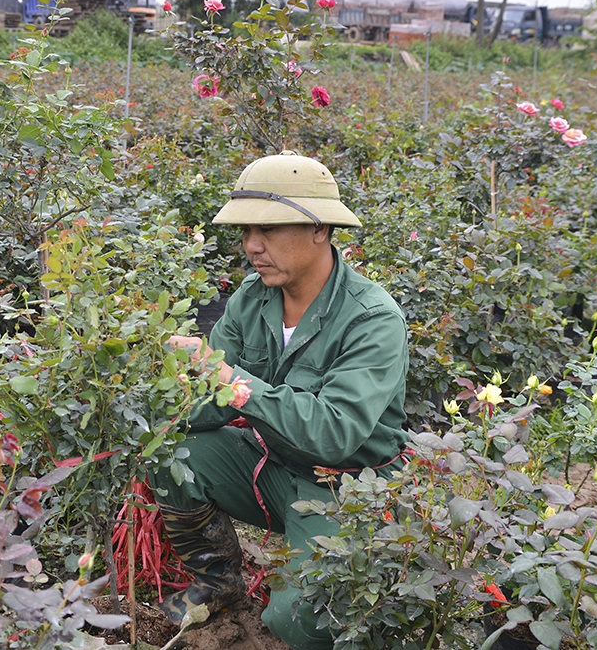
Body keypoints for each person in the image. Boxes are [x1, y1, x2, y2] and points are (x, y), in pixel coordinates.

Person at [153, 151, 409, 650]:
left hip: (349, 489)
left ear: (320, 229)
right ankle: (218, 583)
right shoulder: (253, 297)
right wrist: (153, 401)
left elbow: (333, 434)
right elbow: (212, 404)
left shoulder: (372, 319)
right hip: (273, 464)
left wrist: (233, 380)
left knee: (299, 621)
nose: (253, 245)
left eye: (268, 229)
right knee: (171, 454)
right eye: (247, 231)